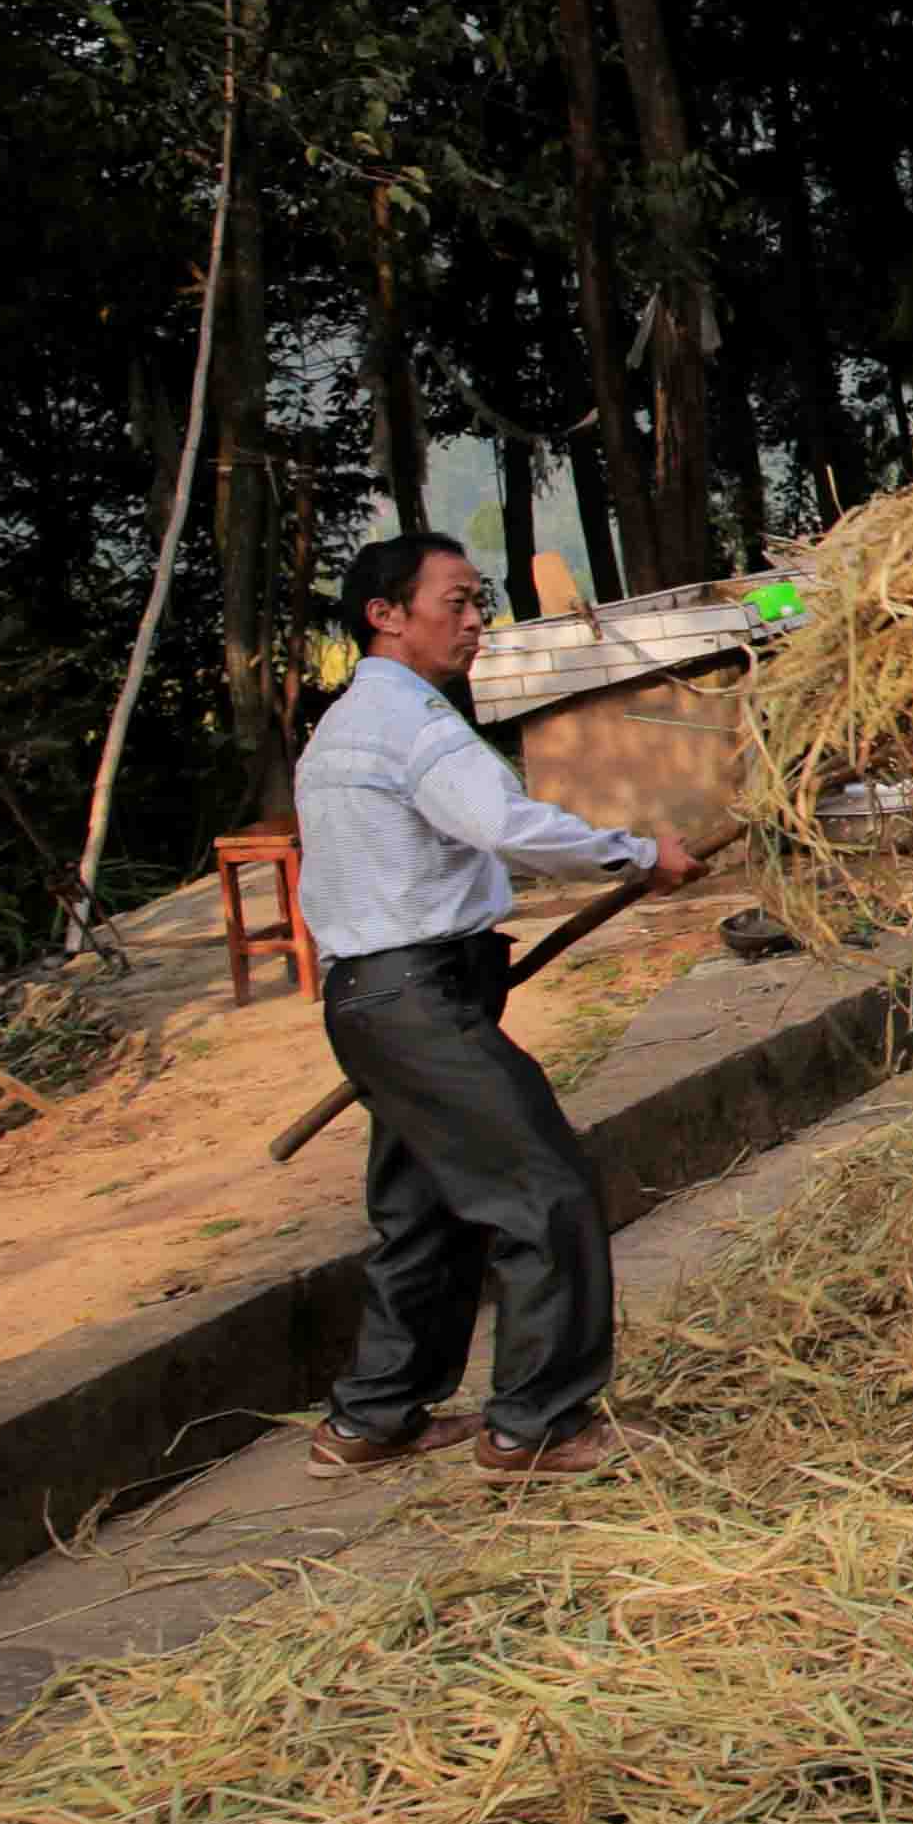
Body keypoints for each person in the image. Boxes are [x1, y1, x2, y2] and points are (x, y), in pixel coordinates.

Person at [293, 528, 696, 1482]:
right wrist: (640, 854)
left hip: (370, 1000)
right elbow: (507, 826)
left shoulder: (343, 726)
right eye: (456, 603)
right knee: (544, 1189)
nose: (476, 623)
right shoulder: (416, 727)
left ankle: (374, 1419)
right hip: (416, 1002)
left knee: (427, 1210)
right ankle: (537, 1426)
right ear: (385, 616)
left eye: (482, 604)